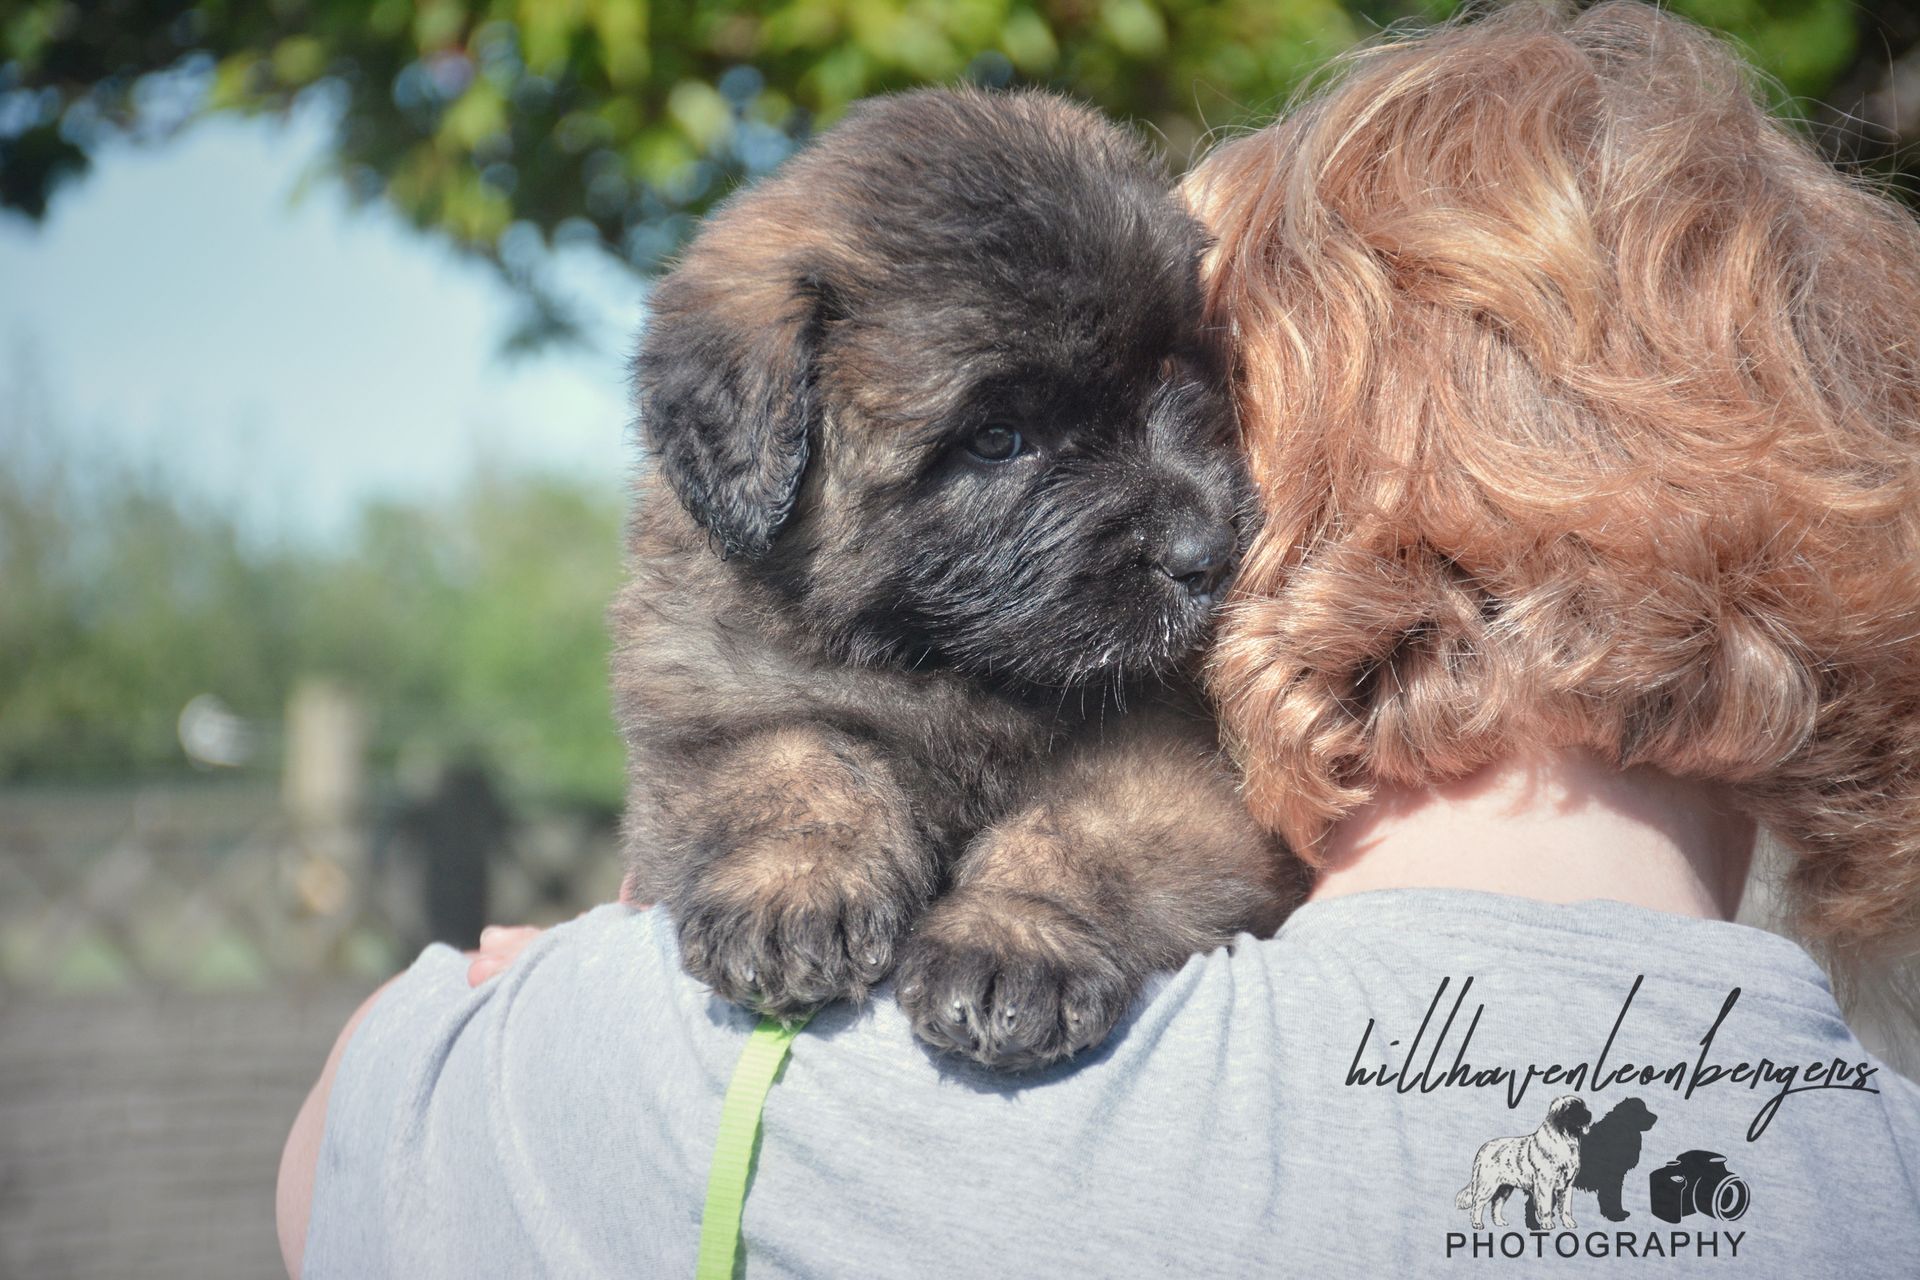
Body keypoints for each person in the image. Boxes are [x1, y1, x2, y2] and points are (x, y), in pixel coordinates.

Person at [279, 4, 1920, 1276]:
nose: (1196, 509)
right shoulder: (1884, 1169)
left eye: (1194, 394)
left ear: (1329, 482)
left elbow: (353, 1142)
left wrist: (537, 1001)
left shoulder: (735, 1112)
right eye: (1007, 441)